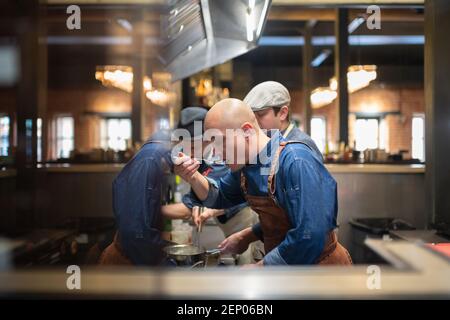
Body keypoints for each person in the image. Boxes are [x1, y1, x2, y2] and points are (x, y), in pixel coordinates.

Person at [174, 98, 352, 265]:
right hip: (290, 272)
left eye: (221, 142)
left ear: (247, 131)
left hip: (320, 271)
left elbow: (311, 235)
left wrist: (262, 267)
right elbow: (218, 196)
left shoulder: (296, 160)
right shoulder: (246, 165)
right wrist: (193, 176)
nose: (217, 153)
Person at [244, 81, 323, 161]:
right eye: (253, 116)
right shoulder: (267, 141)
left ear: (283, 113)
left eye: (261, 114)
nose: (255, 122)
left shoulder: (302, 146)